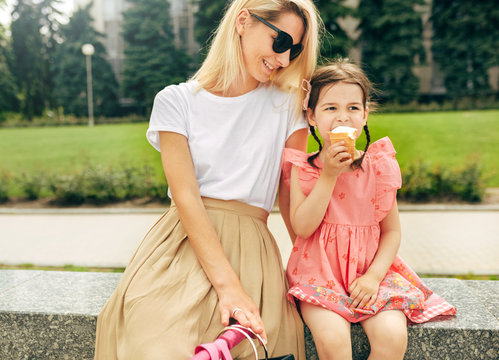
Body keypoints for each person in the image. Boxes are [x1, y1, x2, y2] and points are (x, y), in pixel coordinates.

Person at [94, 0, 322, 359]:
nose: (283, 59)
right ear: (244, 21)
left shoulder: (289, 107)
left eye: (294, 51)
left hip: (253, 254)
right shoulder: (176, 102)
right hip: (179, 248)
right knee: (151, 344)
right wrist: (227, 285)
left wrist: (323, 274)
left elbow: (295, 205)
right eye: (280, 43)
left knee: (257, 347)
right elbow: (185, 198)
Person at [282, 60, 457, 360]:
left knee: (392, 337)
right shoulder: (305, 169)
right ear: (311, 116)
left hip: (371, 274)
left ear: (365, 115)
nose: (342, 118)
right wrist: (329, 176)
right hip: (318, 277)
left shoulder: (378, 166)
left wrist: (373, 277)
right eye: (330, 108)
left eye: (352, 108)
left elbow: (392, 232)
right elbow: (302, 228)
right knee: (334, 342)